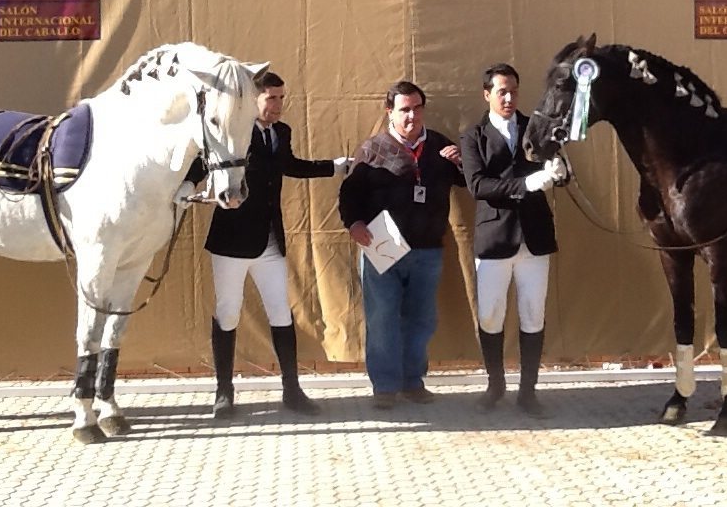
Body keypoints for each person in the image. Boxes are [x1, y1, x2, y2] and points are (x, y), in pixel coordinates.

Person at [181, 70, 352, 419]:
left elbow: (289, 165)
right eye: (271, 98)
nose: (277, 106)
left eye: (281, 98)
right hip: (232, 239)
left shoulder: (281, 132)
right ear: (254, 100)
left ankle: (292, 390)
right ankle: (224, 392)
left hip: (270, 240)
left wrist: (333, 168)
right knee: (228, 311)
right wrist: (186, 186)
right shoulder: (235, 131)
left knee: (280, 312)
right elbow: (204, 162)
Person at [339, 80, 465, 410]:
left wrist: (462, 162)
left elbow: (470, 182)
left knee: (421, 320)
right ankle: (385, 387)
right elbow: (349, 193)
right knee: (382, 319)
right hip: (382, 249)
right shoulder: (372, 149)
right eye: (404, 110)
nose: (412, 116)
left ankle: (413, 382)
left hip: (428, 250)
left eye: (417, 108)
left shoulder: (440, 146)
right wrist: (353, 223)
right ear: (390, 112)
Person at [459, 63, 565, 417]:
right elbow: (478, 186)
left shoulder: (535, 128)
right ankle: (495, 385)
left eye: (513, 91)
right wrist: (526, 185)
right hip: (495, 239)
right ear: (487, 94)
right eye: (501, 91)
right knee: (491, 315)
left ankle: (528, 392)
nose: (508, 97)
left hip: (534, 238)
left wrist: (559, 173)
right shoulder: (473, 135)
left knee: (533, 314)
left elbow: (553, 168)